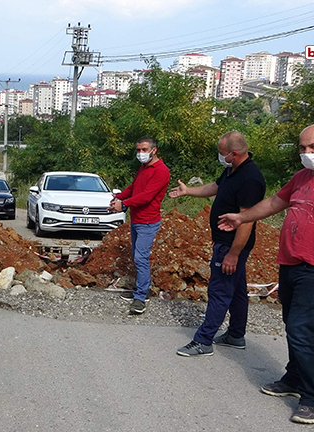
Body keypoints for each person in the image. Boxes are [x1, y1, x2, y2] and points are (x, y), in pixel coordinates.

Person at [218, 123, 314, 424]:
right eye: (302, 148)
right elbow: (276, 203)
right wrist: (241, 217)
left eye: (313, 147)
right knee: (293, 324)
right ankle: (293, 379)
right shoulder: (302, 177)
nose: (307, 153)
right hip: (291, 263)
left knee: (303, 330)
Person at [169, 131, 266, 357]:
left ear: (233, 153)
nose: (219, 157)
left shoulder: (250, 178)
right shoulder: (233, 170)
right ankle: (235, 335)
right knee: (238, 290)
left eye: (222, 153)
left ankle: (203, 340)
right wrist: (188, 191)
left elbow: (246, 221)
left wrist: (233, 253)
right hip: (226, 242)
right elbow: (214, 187)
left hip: (231, 244)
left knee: (220, 290)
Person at [108, 137, 170, 315]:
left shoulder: (161, 171)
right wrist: (118, 198)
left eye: (144, 150)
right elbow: (134, 188)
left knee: (141, 258)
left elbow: (146, 196)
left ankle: (141, 297)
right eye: (138, 150)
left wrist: (124, 205)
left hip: (148, 222)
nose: (140, 154)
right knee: (137, 257)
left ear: (154, 150)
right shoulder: (144, 167)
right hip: (137, 220)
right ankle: (140, 290)